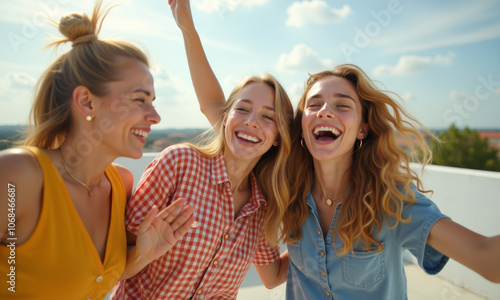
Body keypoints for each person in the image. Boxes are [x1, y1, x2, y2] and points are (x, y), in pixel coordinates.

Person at [0, 1, 196, 299]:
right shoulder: (18, 176)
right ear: (87, 102)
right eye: (139, 99)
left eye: (153, 101)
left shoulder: (120, 184)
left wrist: (144, 256)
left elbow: (96, 275)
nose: (155, 116)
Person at [110, 1, 292, 299]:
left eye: (268, 117)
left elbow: (272, 277)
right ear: (225, 118)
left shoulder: (262, 207)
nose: (251, 122)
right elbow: (117, 262)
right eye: (242, 109)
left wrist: (320, 241)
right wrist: (187, 29)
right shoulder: (179, 163)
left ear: (277, 137)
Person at [281, 65, 500, 299]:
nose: (324, 111)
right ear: (302, 127)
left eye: (342, 105)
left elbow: (487, 258)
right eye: (313, 105)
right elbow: (273, 275)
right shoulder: (290, 194)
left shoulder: (391, 200)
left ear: (362, 130)